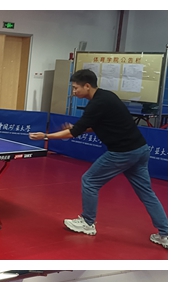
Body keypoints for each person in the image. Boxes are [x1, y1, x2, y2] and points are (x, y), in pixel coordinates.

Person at [29, 68, 168, 249]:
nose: (74, 92)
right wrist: (76, 129)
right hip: (140, 150)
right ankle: (166, 234)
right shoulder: (107, 97)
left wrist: (46, 136)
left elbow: (73, 133)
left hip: (123, 152)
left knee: (90, 180)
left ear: (87, 86)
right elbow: (93, 126)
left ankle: (87, 222)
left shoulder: (96, 104)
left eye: (76, 88)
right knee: (146, 192)